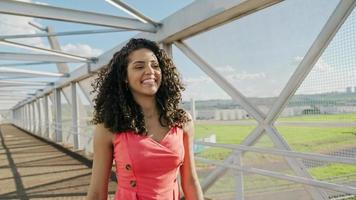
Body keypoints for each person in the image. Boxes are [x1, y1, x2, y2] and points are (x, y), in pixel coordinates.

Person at [86, 38, 204, 200]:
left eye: (155, 66)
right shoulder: (108, 127)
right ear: (124, 77)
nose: (150, 71)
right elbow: (97, 193)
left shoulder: (183, 121)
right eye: (139, 66)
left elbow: (190, 180)